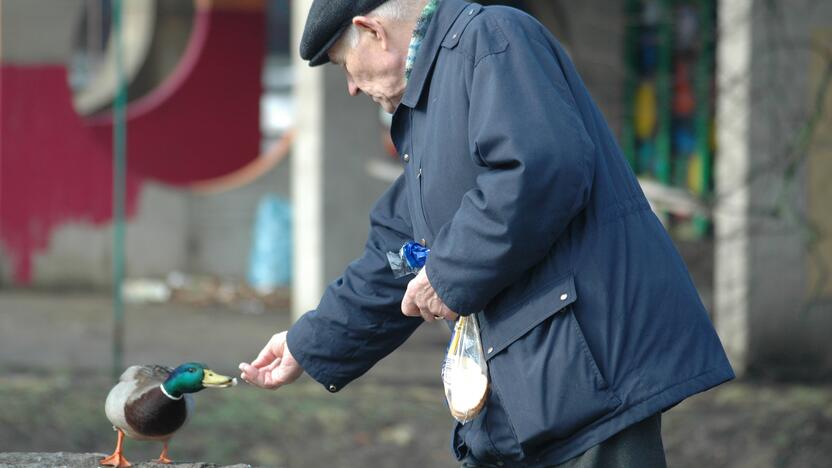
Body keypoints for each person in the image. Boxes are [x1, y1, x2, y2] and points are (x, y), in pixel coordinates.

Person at [239, 0, 735, 466]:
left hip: (594, 381)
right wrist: (308, 342)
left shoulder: (491, 38)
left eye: (343, 64)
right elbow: (395, 252)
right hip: (539, 391)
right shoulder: (429, 106)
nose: (350, 86)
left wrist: (448, 274)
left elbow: (542, 169)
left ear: (373, 32)